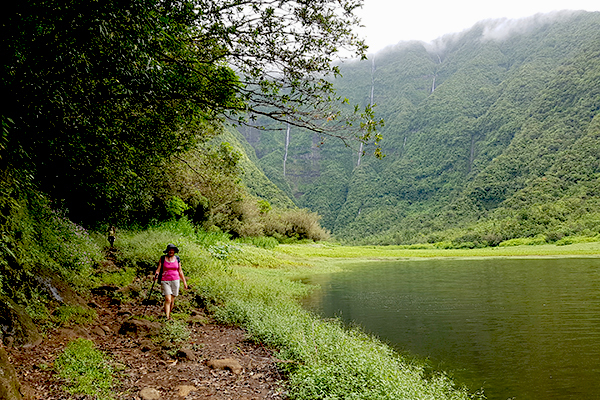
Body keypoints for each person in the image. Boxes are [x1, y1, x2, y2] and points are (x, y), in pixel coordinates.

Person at [154, 244, 188, 320]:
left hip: (175, 280)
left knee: (172, 301)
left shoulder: (177, 259)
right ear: (167, 251)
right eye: (170, 250)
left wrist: (184, 282)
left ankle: (168, 315)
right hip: (165, 280)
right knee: (168, 299)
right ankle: (166, 318)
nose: (171, 251)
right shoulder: (163, 258)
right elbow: (158, 269)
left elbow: (180, 271)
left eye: (172, 250)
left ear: (174, 252)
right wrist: (156, 274)